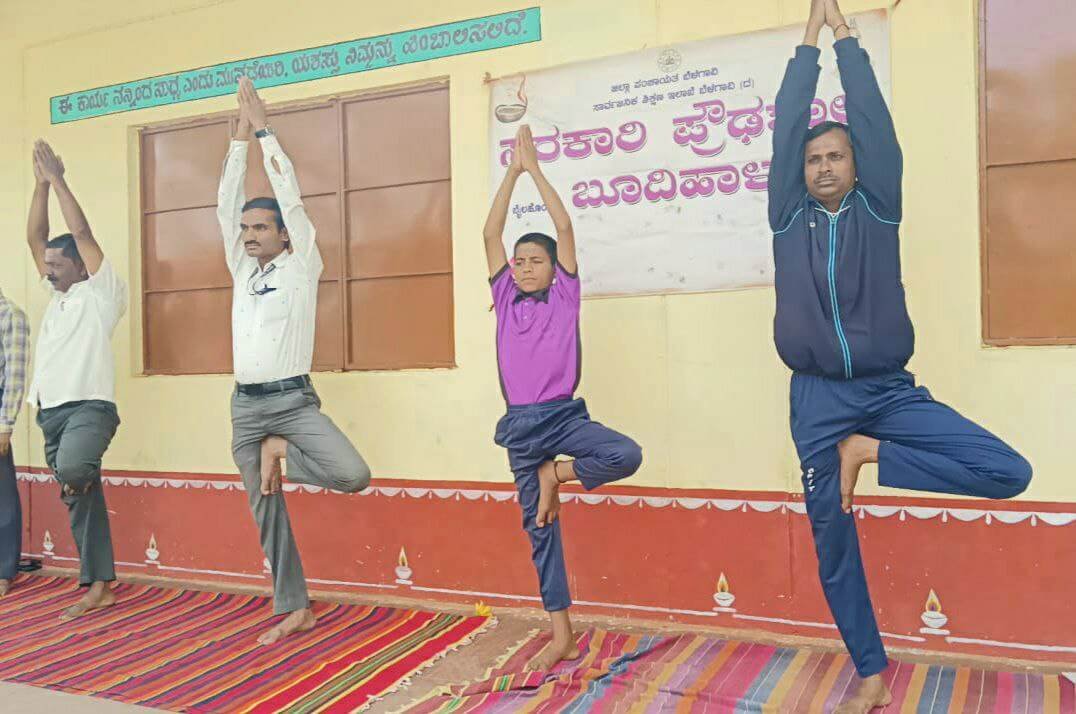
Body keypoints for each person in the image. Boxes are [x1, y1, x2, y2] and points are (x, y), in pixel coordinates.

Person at [768, 1, 1032, 710]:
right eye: (814, 159)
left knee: (1008, 472)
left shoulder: (878, 206)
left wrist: (845, 36)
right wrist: (808, 38)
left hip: (888, 393)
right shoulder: (787, 218)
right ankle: (871, 675)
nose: (824, 165)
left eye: (837, 155)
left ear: (858, 166)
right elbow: (788, 122)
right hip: (817, 402)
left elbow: (875, 124)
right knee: (831, 540)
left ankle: (868, 452)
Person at [217, 76, 372, 645]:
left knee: (352, 475)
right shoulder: (242, 270)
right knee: (265, 508)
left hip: (292, 403)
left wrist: (263, 133)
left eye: (261, 227)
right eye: (246, 228)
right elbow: (224, 203)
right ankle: (294, 607)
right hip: (245, 408)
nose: (249, 235)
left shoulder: (303, 264)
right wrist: (237, 140)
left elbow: (293, 198)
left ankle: (279, 450)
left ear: (285, 235)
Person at [483, 124, 644, 670]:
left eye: (536, 260)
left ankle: (557, 474)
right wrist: (511, 173)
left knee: (625, 453)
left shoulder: (565, 297)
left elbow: (564, 226)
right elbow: (490, 232)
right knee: (540, 530)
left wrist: (534, 169)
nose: (525, 267)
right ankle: (562, 636)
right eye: (520, 261)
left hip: (562, 417)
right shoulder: (505, 298)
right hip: (521, 427)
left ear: (555, 268)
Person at [26, 140, 127, 620]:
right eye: (47, 266)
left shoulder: (101, 293)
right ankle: (99, 585)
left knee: (73, 472)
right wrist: (39, 186)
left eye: (56, 265)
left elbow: (82, 231)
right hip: (51, 410)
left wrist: (60, 180)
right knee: (81, 498)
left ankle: (98, 579)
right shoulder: (58, 296)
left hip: (89, 407)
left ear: (82, 266)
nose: (47, 272)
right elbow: (35, 237)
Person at [0, 289, 29, 598]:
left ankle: (3, 570)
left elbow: (15, 375)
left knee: (1, 494)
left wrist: (5, 425)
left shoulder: (10, 315)